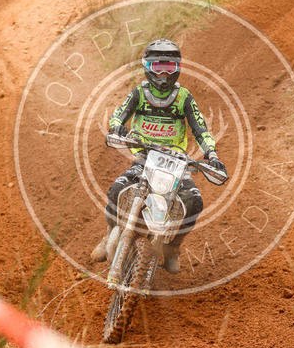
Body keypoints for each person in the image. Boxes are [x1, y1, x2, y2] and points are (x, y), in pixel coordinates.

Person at [91, 38, 226, 274]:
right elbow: (118, 115)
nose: (164, 74)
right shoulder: (139, 93)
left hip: (176, 161)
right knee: (116, 190)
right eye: (158, 67)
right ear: (147, 67)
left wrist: (211, 154)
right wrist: (117, 127)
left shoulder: (184, 97)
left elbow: (200, 128)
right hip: (144, 157)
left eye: (169, 68)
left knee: (194, 201)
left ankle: (173, 247)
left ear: (178, 68)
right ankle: (108, 234)